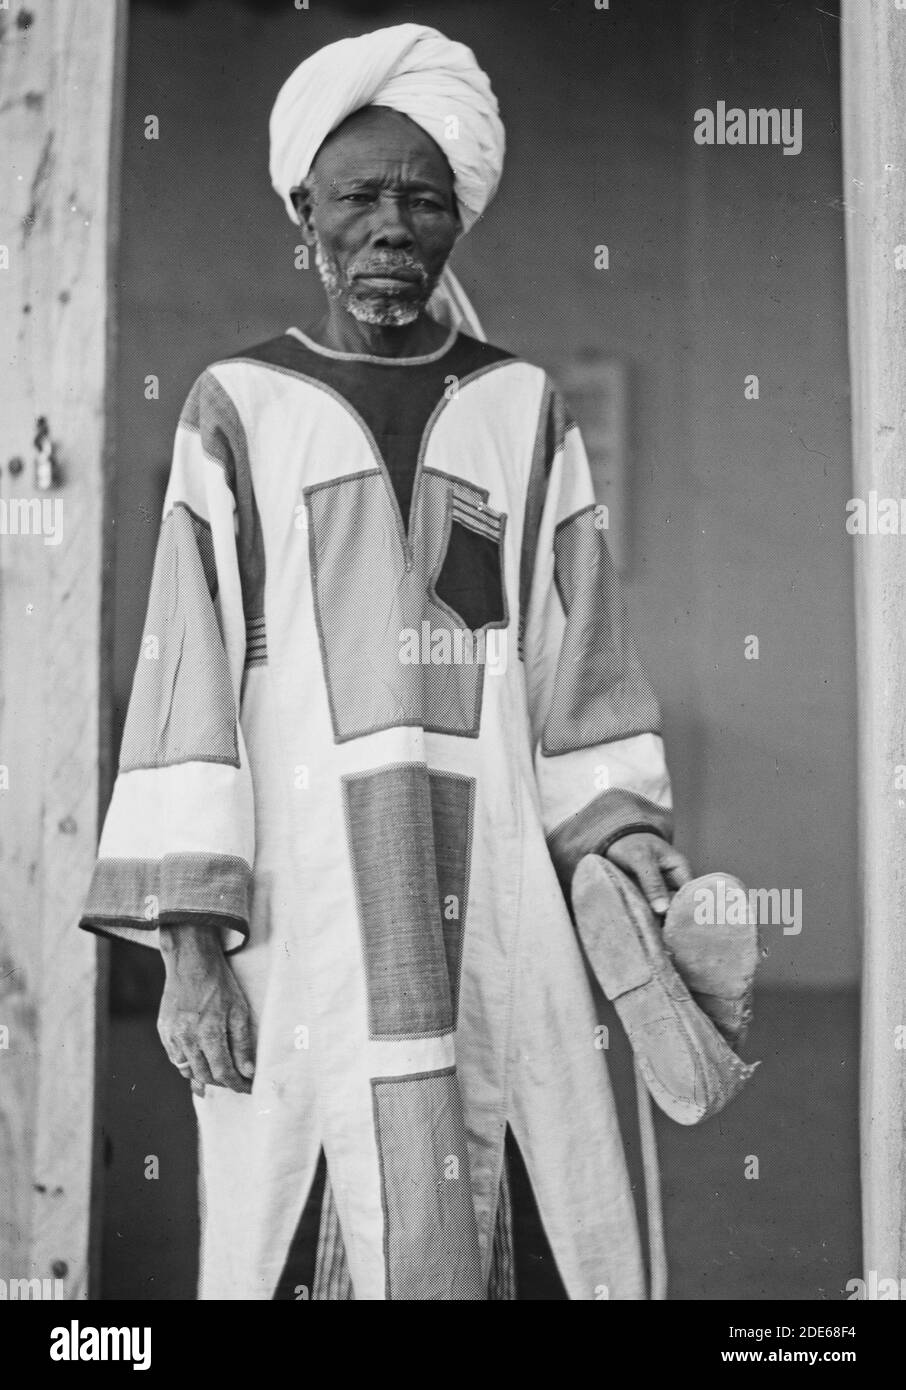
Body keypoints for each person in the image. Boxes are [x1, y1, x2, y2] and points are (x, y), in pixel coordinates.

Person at [80, 22, 690, 1300]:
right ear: (303, 211)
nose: (393, 225)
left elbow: (580, 676)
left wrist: (630, 852)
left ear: (460, 215)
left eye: (423, 196)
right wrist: (191, 948)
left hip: (502, 910)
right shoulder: (235, 408)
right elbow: (186, 688)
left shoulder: (522, 409)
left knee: (522, 1192)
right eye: (359, 197)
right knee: (301, 1212)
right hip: (302, 916)